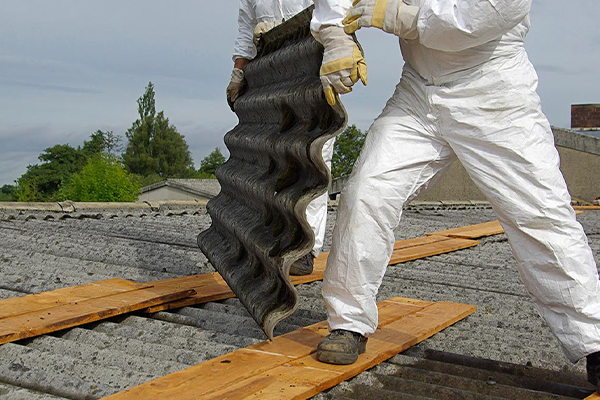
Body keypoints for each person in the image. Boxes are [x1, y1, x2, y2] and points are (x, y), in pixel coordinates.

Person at [309, 0, 600, 388]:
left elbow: (478, 18)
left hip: (493, 91)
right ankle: (349, 323)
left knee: (540, 215)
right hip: (418, 91)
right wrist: (334, 36)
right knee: (366, 192)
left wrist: (399, 16)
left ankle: (594, 341)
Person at [227, 0, 334, 276]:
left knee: (314, 156)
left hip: (315, 65)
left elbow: (335, 9)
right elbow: (245, 26)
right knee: (274, 155)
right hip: (274, 72)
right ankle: (275, 237)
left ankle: (306, 247)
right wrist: (239, 71)